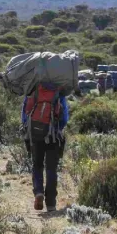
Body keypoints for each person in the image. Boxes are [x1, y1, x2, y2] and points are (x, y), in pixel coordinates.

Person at [22, 82, 69, 213]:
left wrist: (29, 128)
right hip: (53, 136)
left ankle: (38, 192)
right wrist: (57, 128)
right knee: (51, 168)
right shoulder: (59, 93)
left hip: (35, 135)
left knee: (37, 165)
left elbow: (24, 114)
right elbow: (64, 118)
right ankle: (51, 204)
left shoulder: (33, 90)